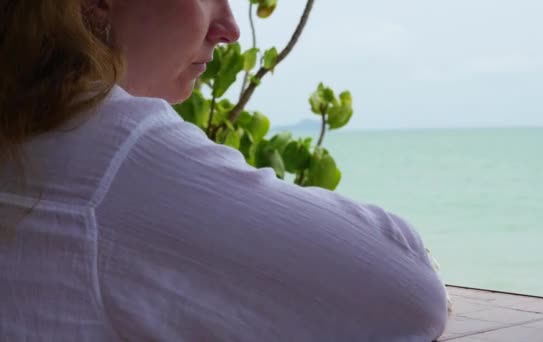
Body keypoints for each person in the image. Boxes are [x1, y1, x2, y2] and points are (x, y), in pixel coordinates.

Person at [0, 0, 448, 341]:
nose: (230, 29)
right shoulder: (111, 150)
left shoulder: (28, 133)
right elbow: (405, 295)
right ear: (96, 3)